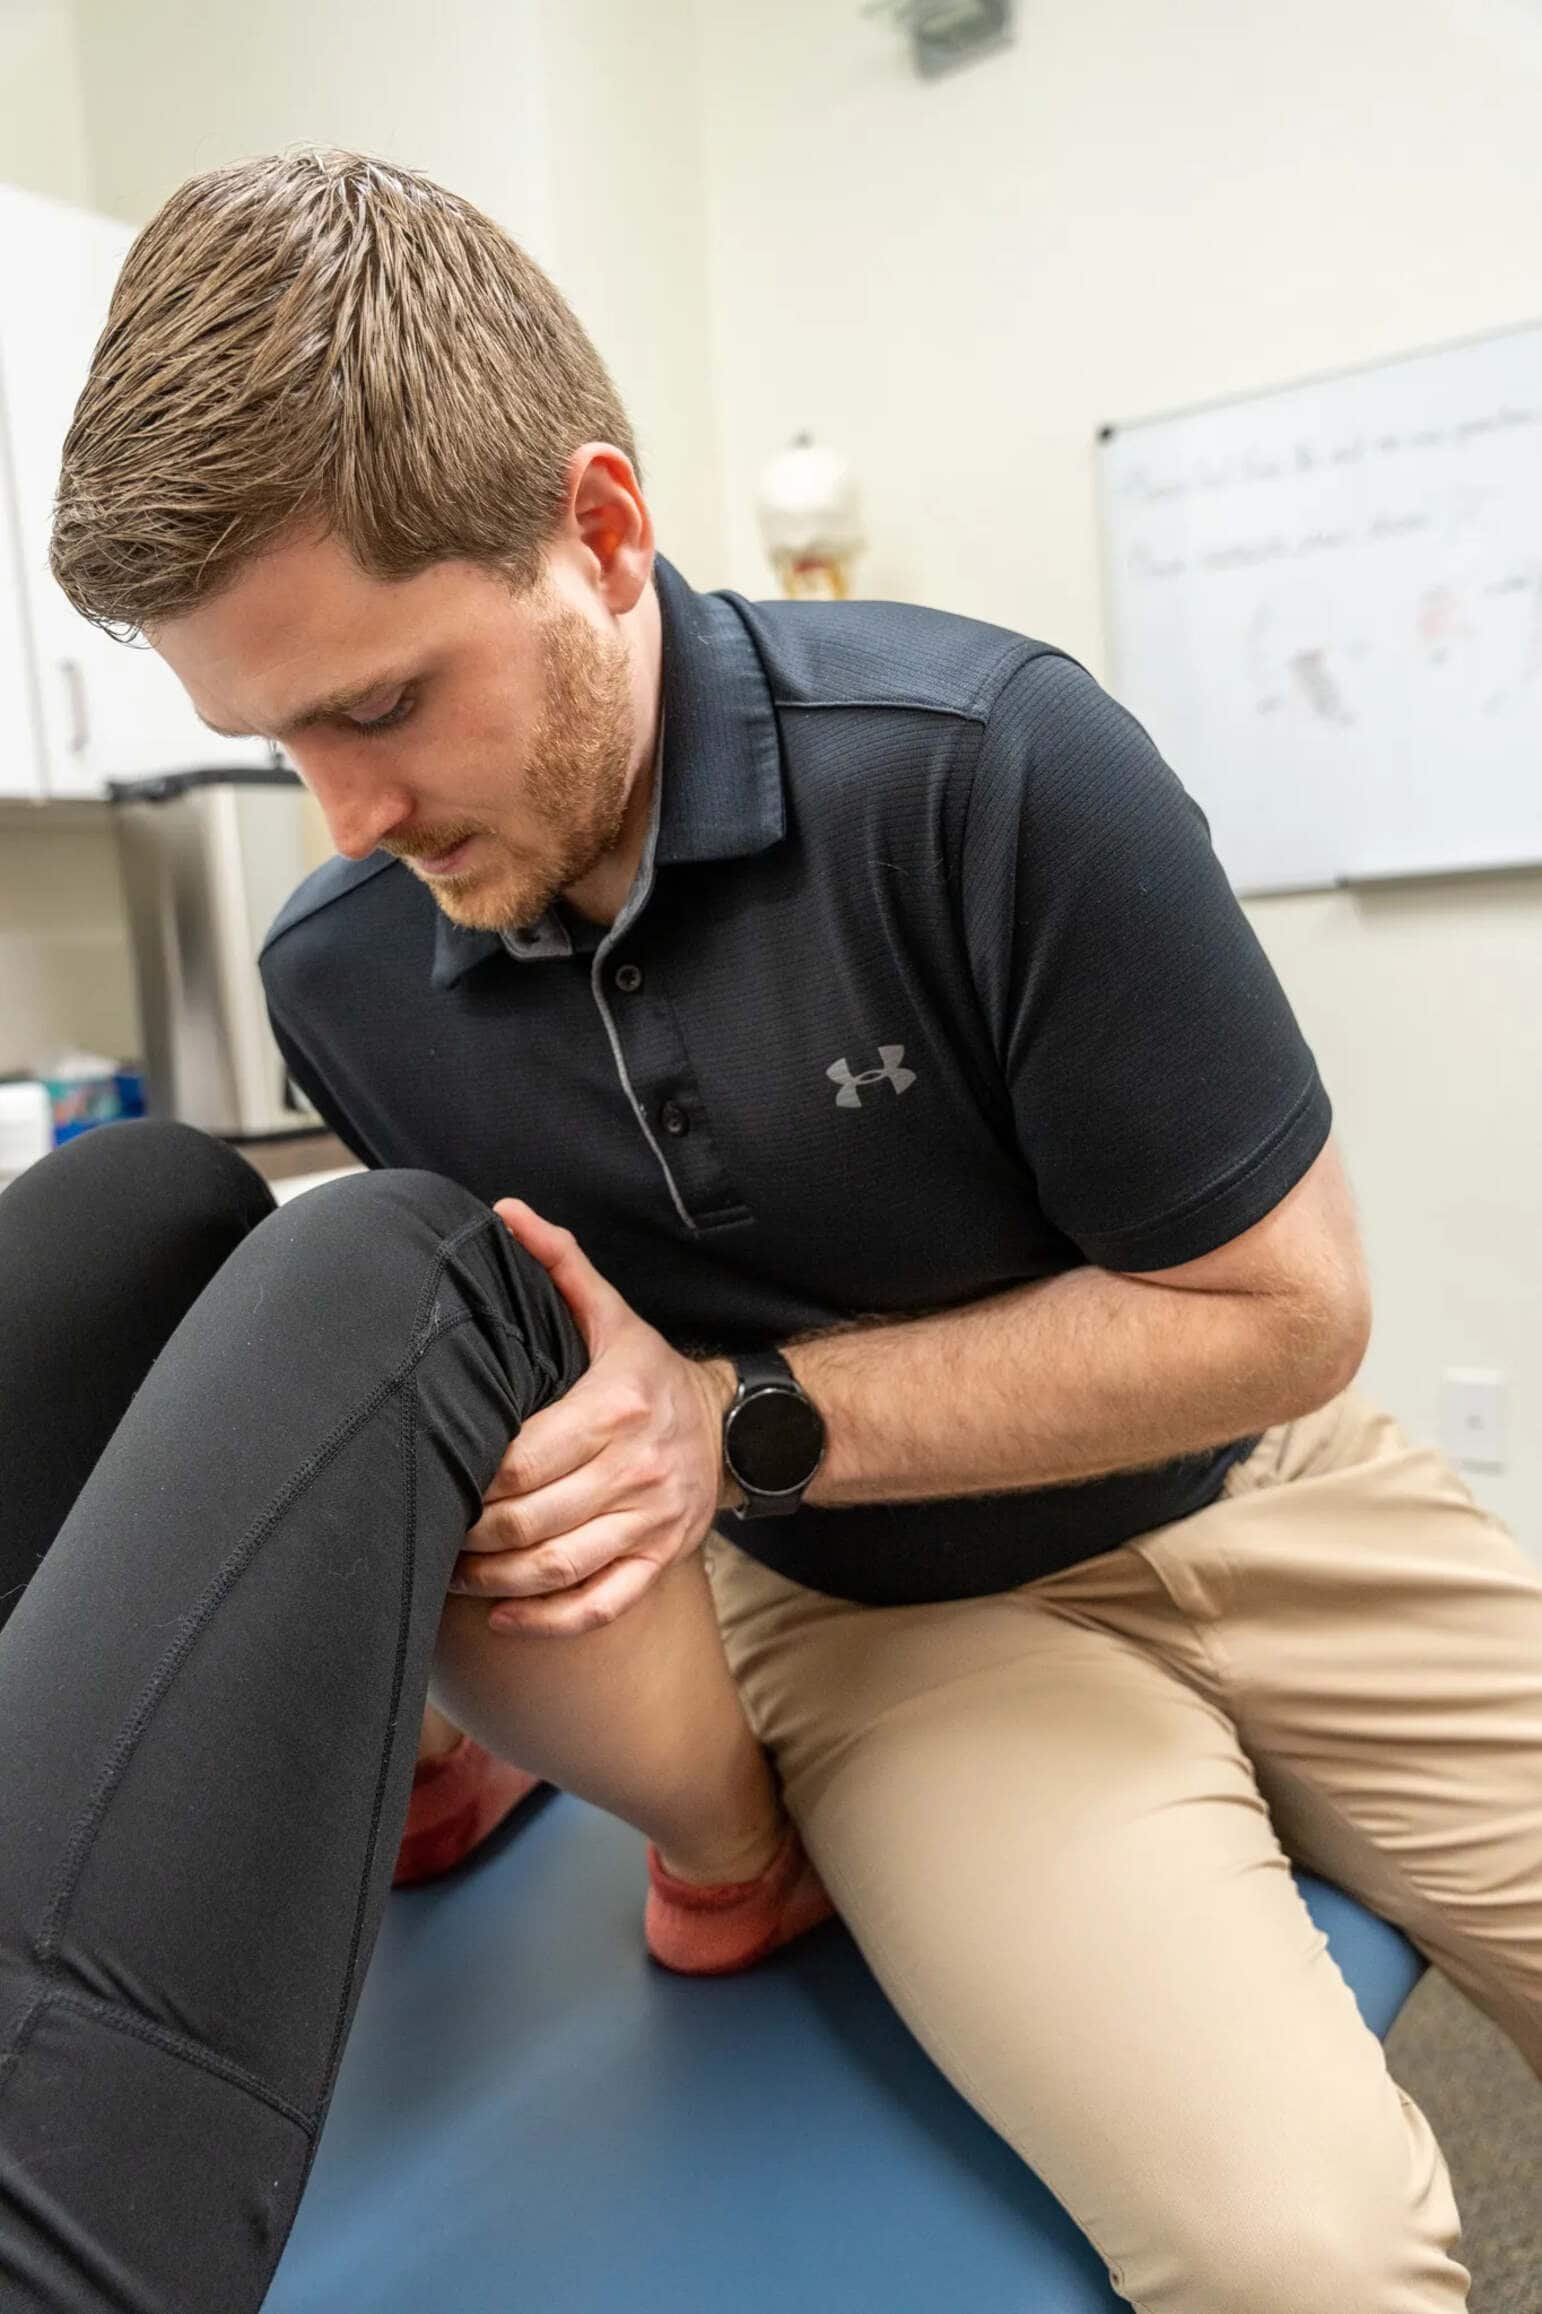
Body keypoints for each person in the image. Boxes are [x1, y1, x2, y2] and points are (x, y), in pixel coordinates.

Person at [5, 143, 1538, 2313]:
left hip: (1282, 1497)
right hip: (906, 1640)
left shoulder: (987, 766)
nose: (341, 822)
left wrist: (737, 1417)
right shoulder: (344, 970)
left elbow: (1290, 1312)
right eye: (271, 745)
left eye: (377, 704)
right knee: (1303, 2255)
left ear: (601, 534)